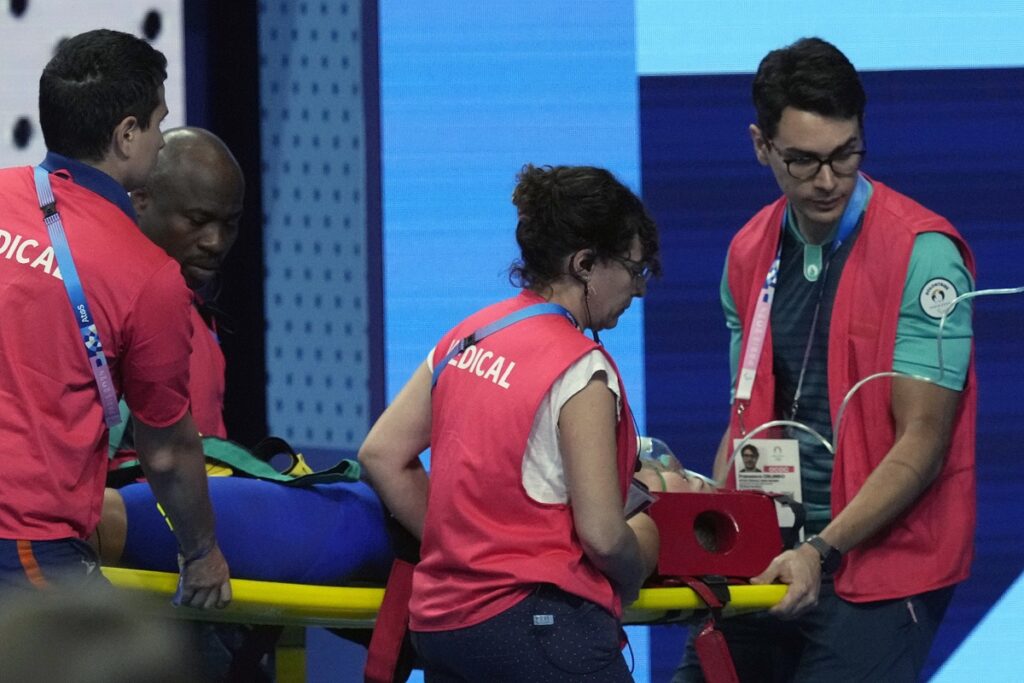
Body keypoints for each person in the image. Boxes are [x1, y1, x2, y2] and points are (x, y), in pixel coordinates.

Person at [674, 37, 976, 681]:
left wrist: (820, 547)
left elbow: (924, 440)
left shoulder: (925, 255)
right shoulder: (747, 250)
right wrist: (707, 524)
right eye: (805, 161)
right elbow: (748, 414)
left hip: (881, 562)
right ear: (761, 145)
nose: (828, 180)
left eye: (845, 155)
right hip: (770, 552)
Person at [360, 164, 662, 681]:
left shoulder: (467, 337)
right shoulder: (580, 367)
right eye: (635, 271)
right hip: (539, 631)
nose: (639, 291)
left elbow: (381, 455)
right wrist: (637, 567)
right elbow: (604, 536)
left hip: (442, 628)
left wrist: (465, 547)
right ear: (586, 263)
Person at [0, 29, 230, 608]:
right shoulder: (150, 278)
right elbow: (168, 452)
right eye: (158, 123)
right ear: (128, 134)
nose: (159, 139)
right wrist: (201, 552)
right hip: (26, 545)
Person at [131, 126, 245, 439]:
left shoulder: (198, 314)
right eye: (198, 221)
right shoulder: (100, 309)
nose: (216, 242)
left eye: (230, 224)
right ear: (140, 201)